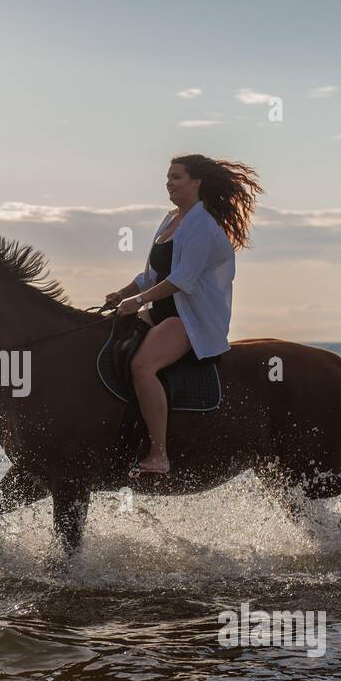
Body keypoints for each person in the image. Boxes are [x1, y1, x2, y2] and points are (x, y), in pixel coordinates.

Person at [105, 154, 263, 475]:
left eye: (176, 177)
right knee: (111, 342)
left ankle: (159, 454)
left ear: (197, 183)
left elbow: (182, 280)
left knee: (142, 366)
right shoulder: (171, 219)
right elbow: (152, 274)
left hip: (189, 318)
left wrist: (137, 302)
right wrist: (123, 294)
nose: (169, 182)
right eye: (167, 177)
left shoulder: (203, 225)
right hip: (160, 310)